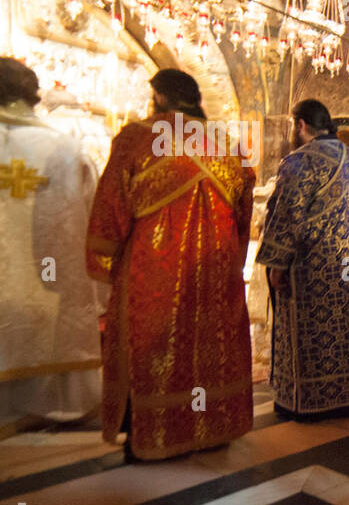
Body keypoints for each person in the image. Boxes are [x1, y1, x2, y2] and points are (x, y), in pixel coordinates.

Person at [86, 69, 254, 458]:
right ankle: (213, 427)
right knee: (211, 352)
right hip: (216, 273)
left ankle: (152, 434)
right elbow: (244, 221)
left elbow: (110, 211)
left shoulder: (136, 139)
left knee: (151, 351)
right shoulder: (228, 145)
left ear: (160, 97)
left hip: (152, 274)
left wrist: (107, 261)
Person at [257, 99, 349, 417]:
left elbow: (286, 212)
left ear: (300, 125)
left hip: (316, 266)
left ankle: (311, 401)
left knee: (314, 330)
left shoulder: (300, 161)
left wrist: (277, 263)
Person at [0, 58, 102, 429]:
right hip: (51, 279)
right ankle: (49, 404)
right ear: (33, 94)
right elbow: (94, 219)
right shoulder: (65, 147)